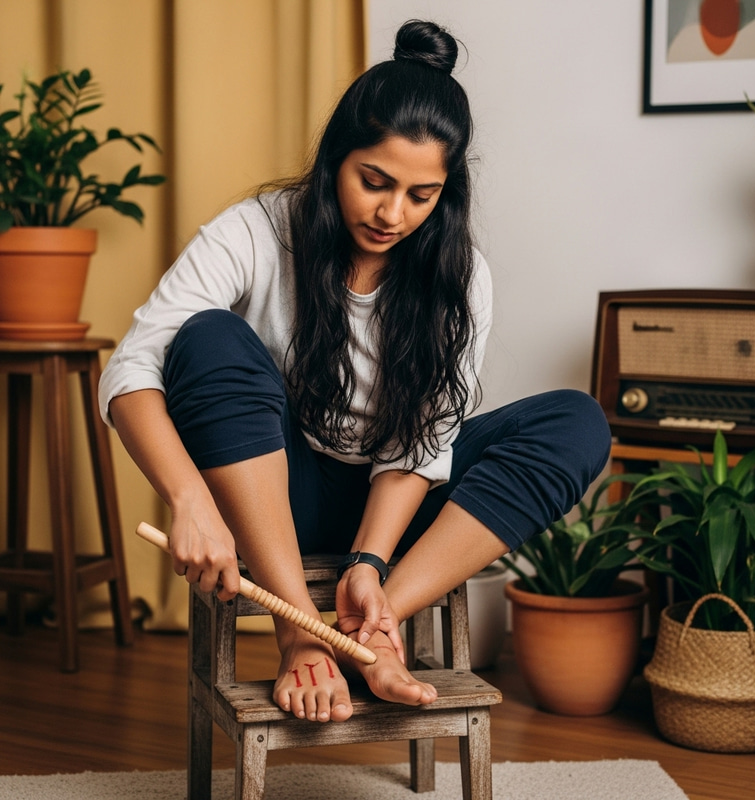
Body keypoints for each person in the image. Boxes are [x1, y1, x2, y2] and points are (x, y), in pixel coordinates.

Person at [99, 19, 611, 724]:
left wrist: (370, 564)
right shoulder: (253, 231)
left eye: (421, 195)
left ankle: (369, 634)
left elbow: (423, 445)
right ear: (338, 156)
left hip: (397, 512)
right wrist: (188, 499)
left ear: (446, 190)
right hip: (278, 492)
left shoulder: (462, 278)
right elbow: (131, 369)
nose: (392, 214)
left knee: (576, 422)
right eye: (374, 181)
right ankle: (300, 640)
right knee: (208, 337)